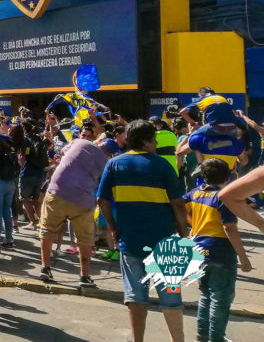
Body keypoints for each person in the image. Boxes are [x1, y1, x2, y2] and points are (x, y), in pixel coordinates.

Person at [97, 120, 187, 342]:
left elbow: (102, 200)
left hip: (130, 239)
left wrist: (113, 227)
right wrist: (184, 234)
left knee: (136, 298)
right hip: (165, 240)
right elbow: (177, 203)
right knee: (171, 299)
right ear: (147, 142)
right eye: (154, 140)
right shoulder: (163, 165)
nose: (156, 144)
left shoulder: (114, 164)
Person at [185, 158, 252, 342]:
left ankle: (202, 334)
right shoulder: (224, 197)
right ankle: (216, 337)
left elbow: (179, 207)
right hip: (220, 251)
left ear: (204, 176)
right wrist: (243, 258)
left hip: (198, 249)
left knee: (205, 294)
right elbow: (230, 228)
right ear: (229, 176)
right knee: (221, 299)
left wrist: (192, 227)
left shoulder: (195, 193)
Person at [37, 131, 107, 285]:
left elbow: (62, 151)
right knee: (85, 238)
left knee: (47, 230)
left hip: (57, 190)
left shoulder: (79, 142)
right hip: (83, 198)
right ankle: (84, 276)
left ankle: (45, 268)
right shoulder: (107, 161)